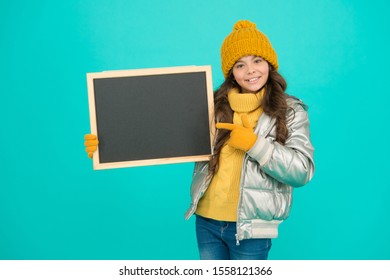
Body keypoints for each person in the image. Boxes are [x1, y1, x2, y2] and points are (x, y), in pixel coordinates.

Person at [84, 19, 315, 260]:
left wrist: (254, 144)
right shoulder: (210, 105)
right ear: (231, 73)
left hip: (250, 229)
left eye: (257, 60)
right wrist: (107, 144)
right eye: (240, 65)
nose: (250, 71)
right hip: (207, 222)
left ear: (269, 63)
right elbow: (157, 132)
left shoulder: (291, 111)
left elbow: (302, 171)